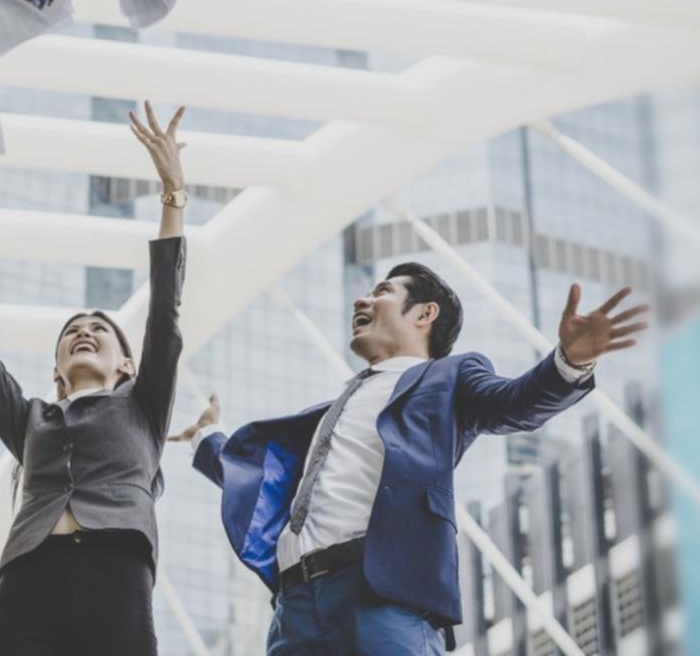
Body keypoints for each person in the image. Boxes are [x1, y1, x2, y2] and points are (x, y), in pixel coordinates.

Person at [171, 264, 649, 654]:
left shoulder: (449, 378)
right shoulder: (331, 417)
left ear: (425, 314)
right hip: (295, 611)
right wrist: (205, 437)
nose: (360, 301)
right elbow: (260, 480)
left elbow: (514, 403)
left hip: (383, 599)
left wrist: (569, 361)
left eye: (380, 291)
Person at [0, 102, 189, 655]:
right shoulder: (29, 419)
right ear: (55, 371)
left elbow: (165, 314)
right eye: (72, 329)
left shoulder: (143, 407)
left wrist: (172, 193)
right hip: (29, 574)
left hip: (115, 567)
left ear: (126, 364)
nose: (85, 331)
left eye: (101, 328)